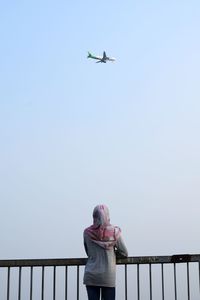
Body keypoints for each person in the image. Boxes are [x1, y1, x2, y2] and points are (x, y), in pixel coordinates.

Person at [83, 204, 128, 300]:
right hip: (108, 276)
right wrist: (112, 255)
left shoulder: (87, 233)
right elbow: (124, 253)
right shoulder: (115, 233)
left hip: (91, 275)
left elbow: (88, 252)